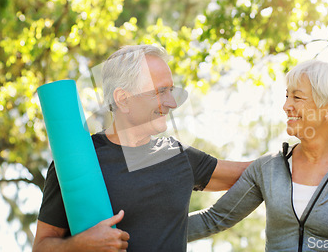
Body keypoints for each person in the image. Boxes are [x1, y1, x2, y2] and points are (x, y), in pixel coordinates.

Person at [33, 45, 251, 252]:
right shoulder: (77, 161)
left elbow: (254, 174)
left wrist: (285, 152)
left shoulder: (178, 156)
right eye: (161, 91)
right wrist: (78, 245)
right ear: (123, 99)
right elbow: (41, 246)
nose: (172, 103)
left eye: (171, 91)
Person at [188, 60, 328, 252]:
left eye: (297, 97)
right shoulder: (268, 167)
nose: (286, 106)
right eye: (286, 96)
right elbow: (214, 219)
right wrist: (155, 230)